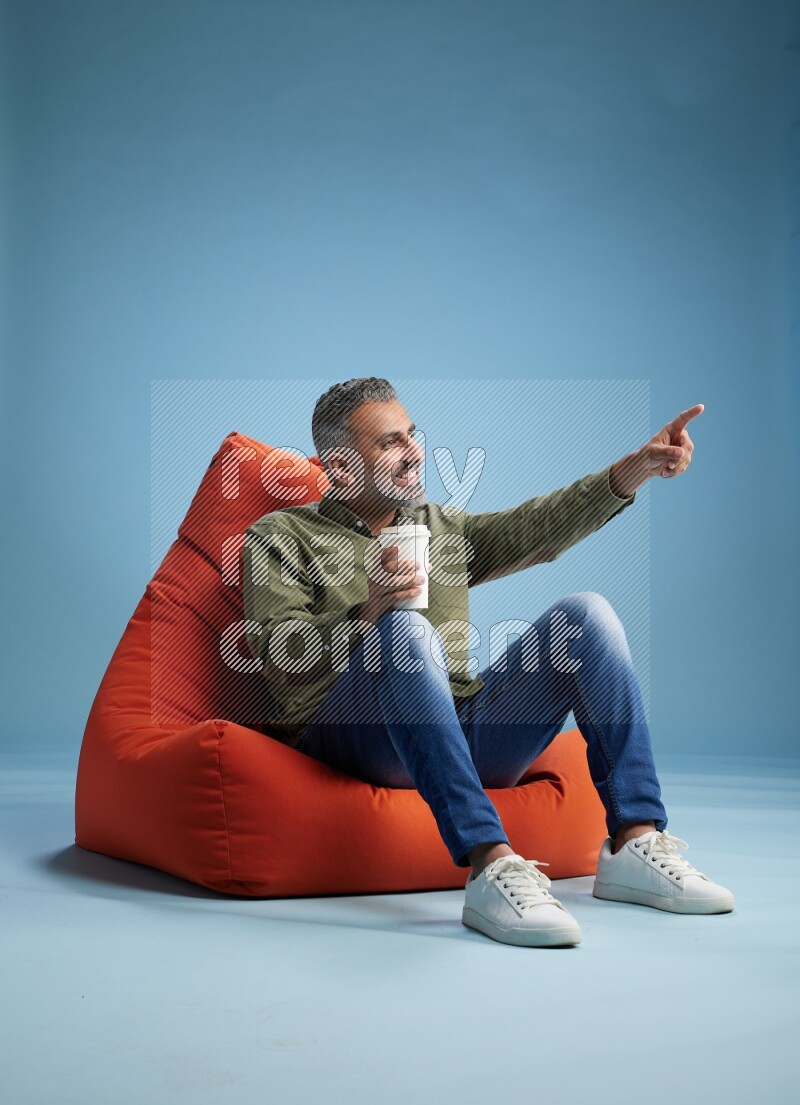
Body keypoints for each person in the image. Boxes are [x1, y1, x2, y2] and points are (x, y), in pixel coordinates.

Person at [242, 377, 734, 948]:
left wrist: (630, 474)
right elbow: (278, 655)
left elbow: (538, 527)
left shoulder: (442, 528)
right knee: (402, 626)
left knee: (586, 614)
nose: (414, 452)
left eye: (413, 435)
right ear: (342, 467)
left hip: (460, 731)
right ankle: (490, 863)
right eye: (390, 443)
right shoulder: (280, 535)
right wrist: (366, 613)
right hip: (353, 740)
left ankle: (634, 839)